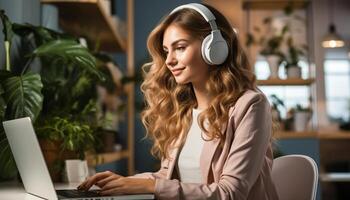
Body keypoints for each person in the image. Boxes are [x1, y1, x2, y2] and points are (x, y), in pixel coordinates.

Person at [78, 3, 279, 200]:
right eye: (166, 51)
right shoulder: (184, 110)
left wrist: (151, 185)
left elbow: (230, 193)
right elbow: (168, 178)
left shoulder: (251, 105)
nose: (169, 60)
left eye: (180, 47)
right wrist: (124, 182)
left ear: (215, 48)